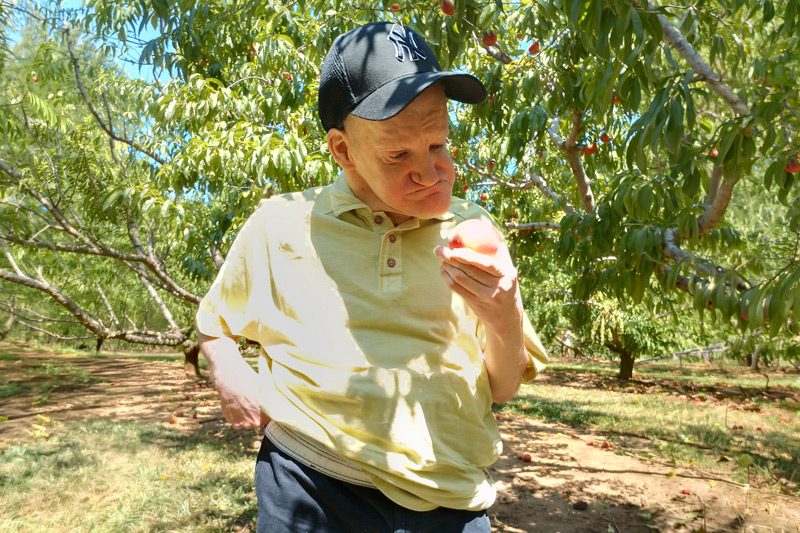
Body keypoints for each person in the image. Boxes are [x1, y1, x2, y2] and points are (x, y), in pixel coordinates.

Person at [195, 21, 548, 533]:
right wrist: (228, 373)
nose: (431, 173)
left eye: (439, 144)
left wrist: (504, 317)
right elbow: (215, 322)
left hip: (451, 496)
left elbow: (502, 386)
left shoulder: (473, 230)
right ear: (343, 151)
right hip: (311, 482)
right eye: (398, 155)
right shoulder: (281, 223)